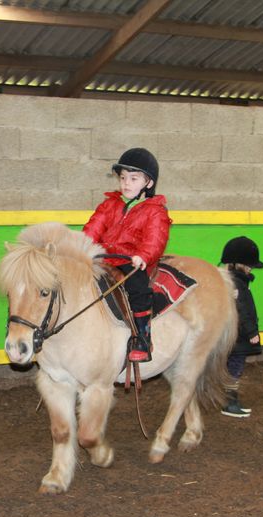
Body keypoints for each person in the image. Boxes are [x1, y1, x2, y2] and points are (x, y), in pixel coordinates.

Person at [83, 148, 171, 363]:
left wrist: (144, 256)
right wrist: (81, 245)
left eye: (133, 178)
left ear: (148, 183)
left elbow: (156, 239)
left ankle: (142, 337)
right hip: (103, 257)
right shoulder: (110, 204)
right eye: (123, 178)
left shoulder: (155, 211)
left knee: (138, 288)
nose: (126, 183)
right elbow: (94, 227)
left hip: (131, 260)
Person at [219, 236, 263, 418]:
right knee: (235, 369)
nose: (251, 268)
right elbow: (242, 310)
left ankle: (230, 401)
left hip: (234, 334)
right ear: (239, 265)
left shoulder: (234, 281)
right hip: (238, 336)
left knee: (232, 368)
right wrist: (252, 332)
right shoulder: (237, 284)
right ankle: (230, 403)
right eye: (249, 265)